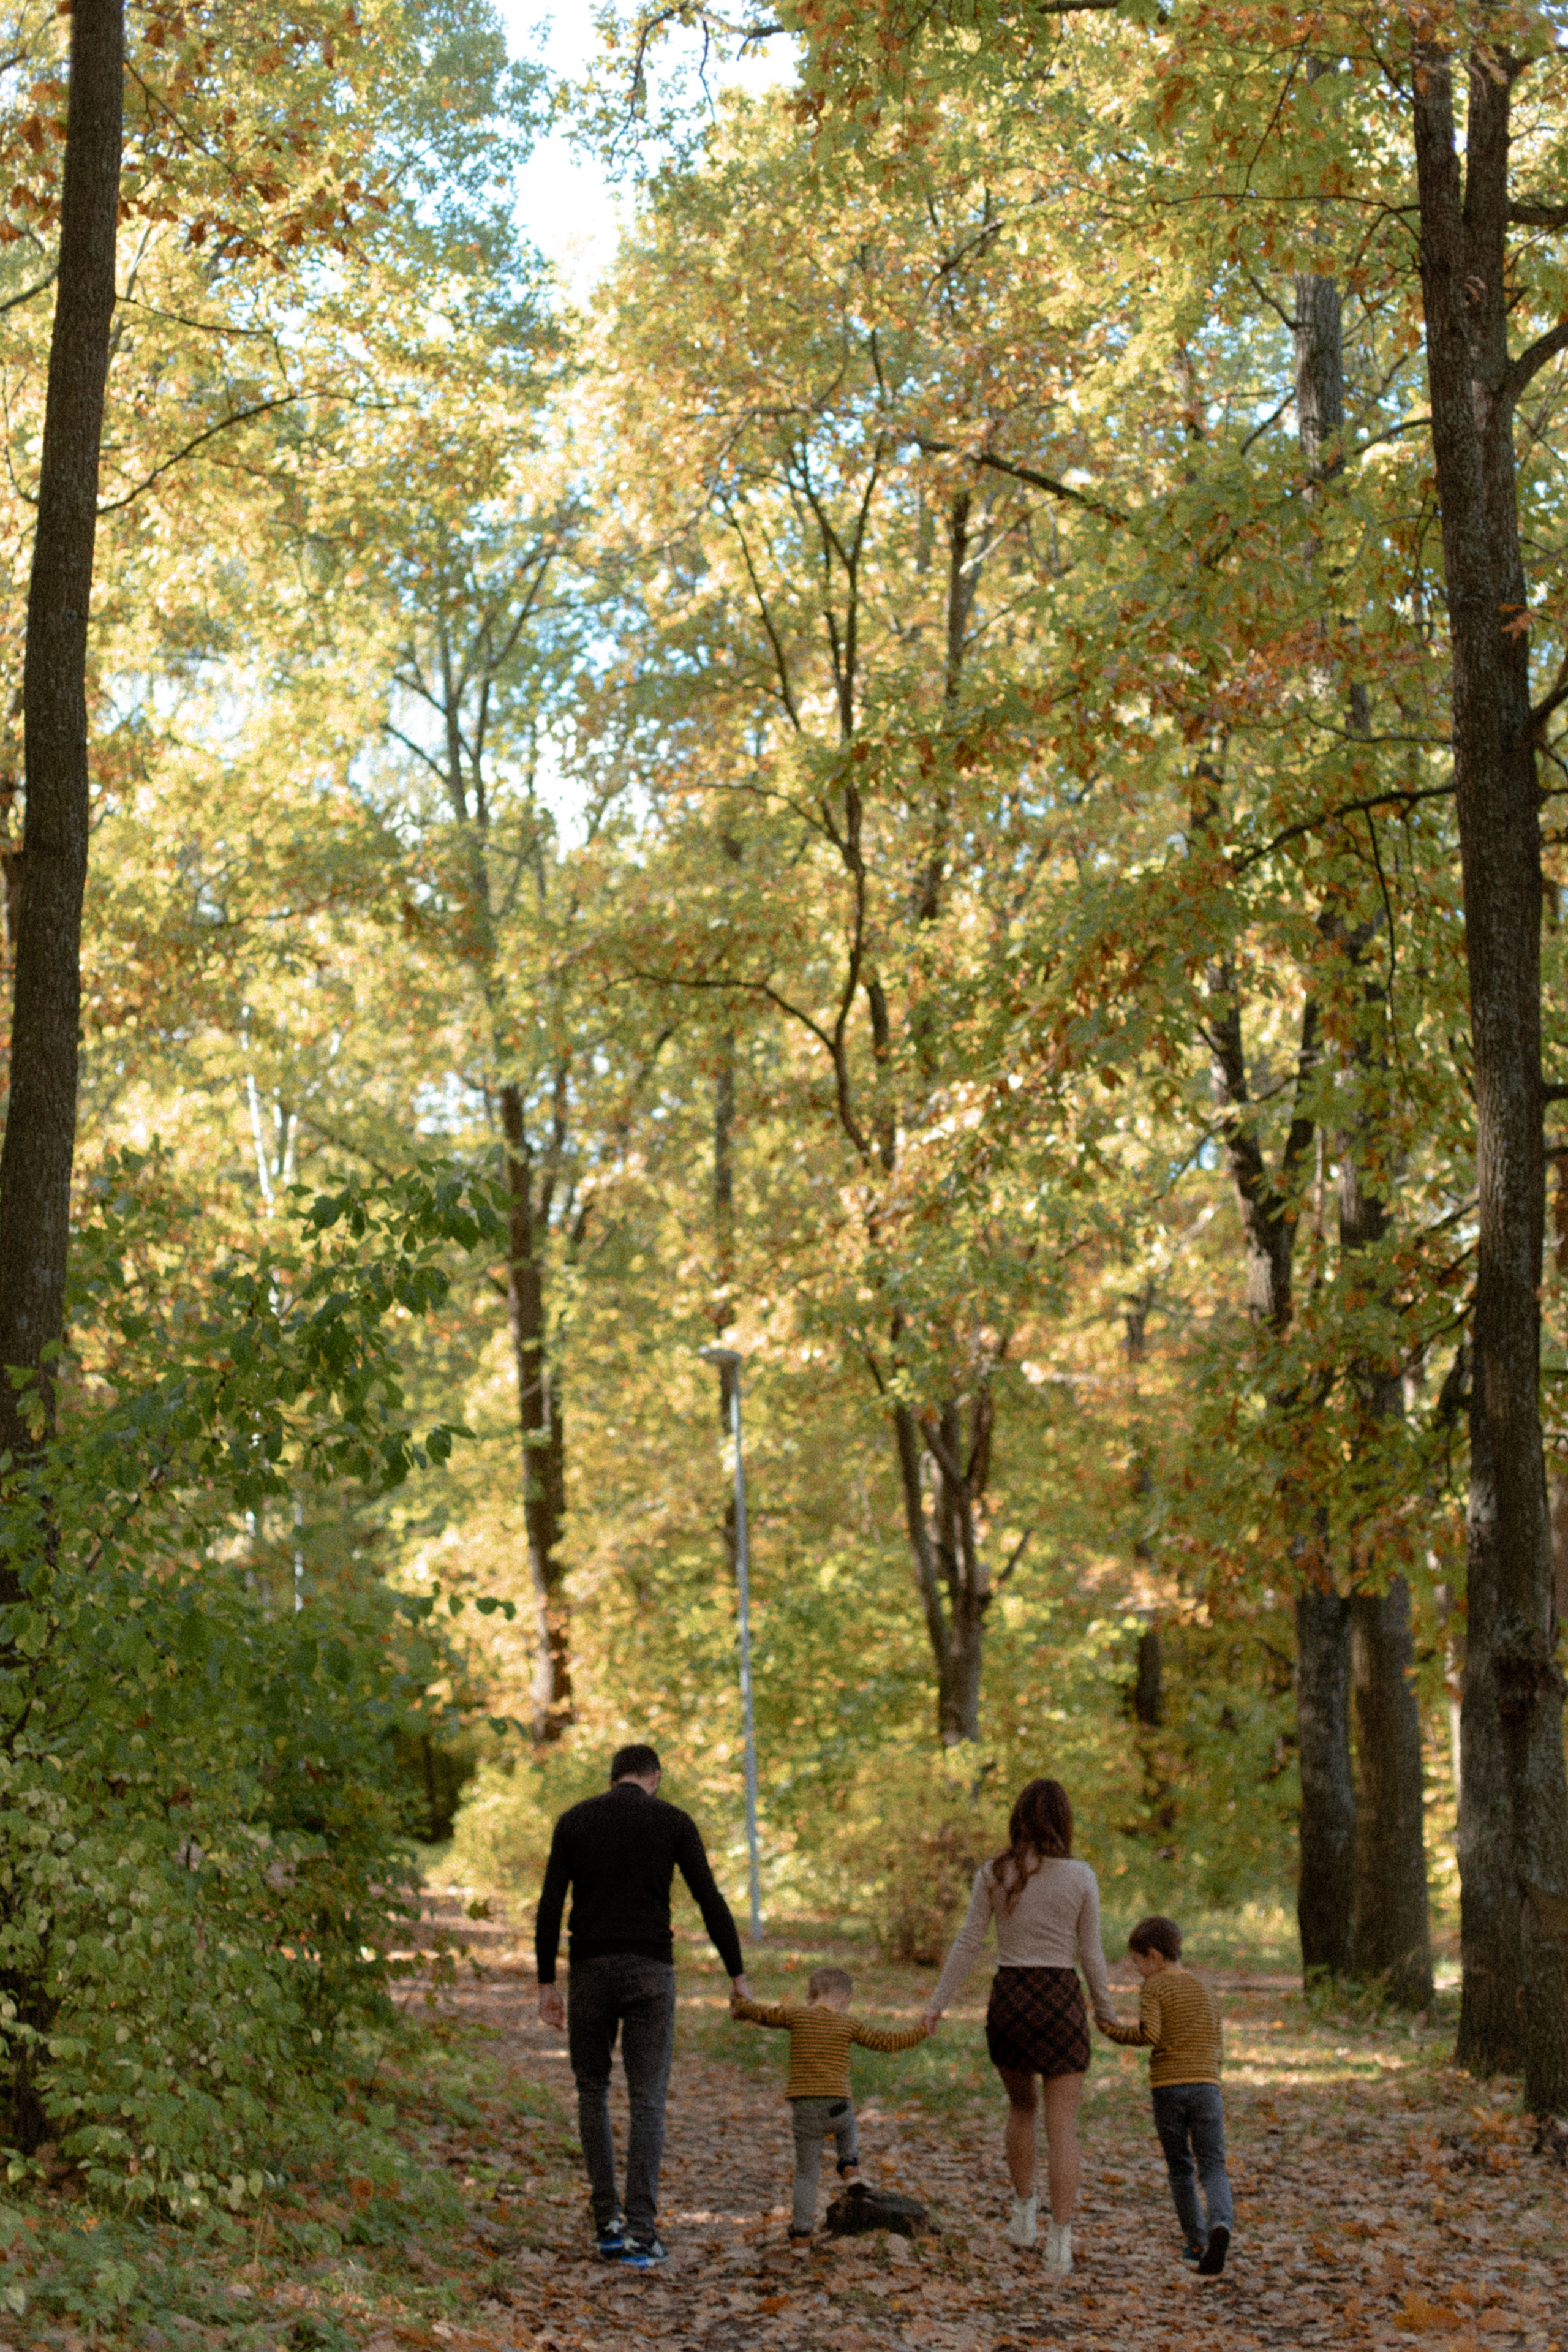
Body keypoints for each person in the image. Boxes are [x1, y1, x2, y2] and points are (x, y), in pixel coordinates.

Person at [535, 1743, 750, 2267]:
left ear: (613, 1780)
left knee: (592, 2089)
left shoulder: (574, 1822)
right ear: (653, 1777)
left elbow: (550, 1904)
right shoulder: (673, 1821)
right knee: (647, 2100)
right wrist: (737, 1974)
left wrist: (546, 1984)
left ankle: (605, 2220)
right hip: (651, 1971)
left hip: (589, 1970)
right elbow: (709, 1898)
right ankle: (641, 2233)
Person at [922, 1777, 1114, 2279]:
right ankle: (1060, 2242)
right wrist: (1106, 2009)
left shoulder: (995, 1872)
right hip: (1059, 2001)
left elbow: (968, 1942)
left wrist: (936, 2004)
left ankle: (1023, 2213)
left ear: (1018, 1818)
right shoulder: (1081, 1876)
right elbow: (1091, 1953)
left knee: (1021, 2106)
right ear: (1064, 1821)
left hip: (1010, 2000)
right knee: (1063, 2125)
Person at [730, 1964, 931, 2254]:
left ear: (811, 1996)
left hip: (805, 2111)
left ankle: (800, 2238)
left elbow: (763, 2014)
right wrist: (921, 2031)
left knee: (806, 2175)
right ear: (846, 1999)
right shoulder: (848, 2024)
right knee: (848, 2122)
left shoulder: (796, 2015)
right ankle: (850, 2167)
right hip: (837, 2107)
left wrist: (739, 2004)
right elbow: (887, 2042)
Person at [1098, 1913, 1232, 2275]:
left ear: (1154, 1956)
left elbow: (1150, 2035)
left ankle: (1196, 2243)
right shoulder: (1205, 1988)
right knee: (1213, 2166)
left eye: (1138, 1962)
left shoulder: (1155, 1986)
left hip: (1169, 2089)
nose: (1138, 1970)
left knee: (1180, 2168)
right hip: (1207, 2087)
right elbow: (1217, 2045)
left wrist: (1112, 2031)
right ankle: (1221, 2221)